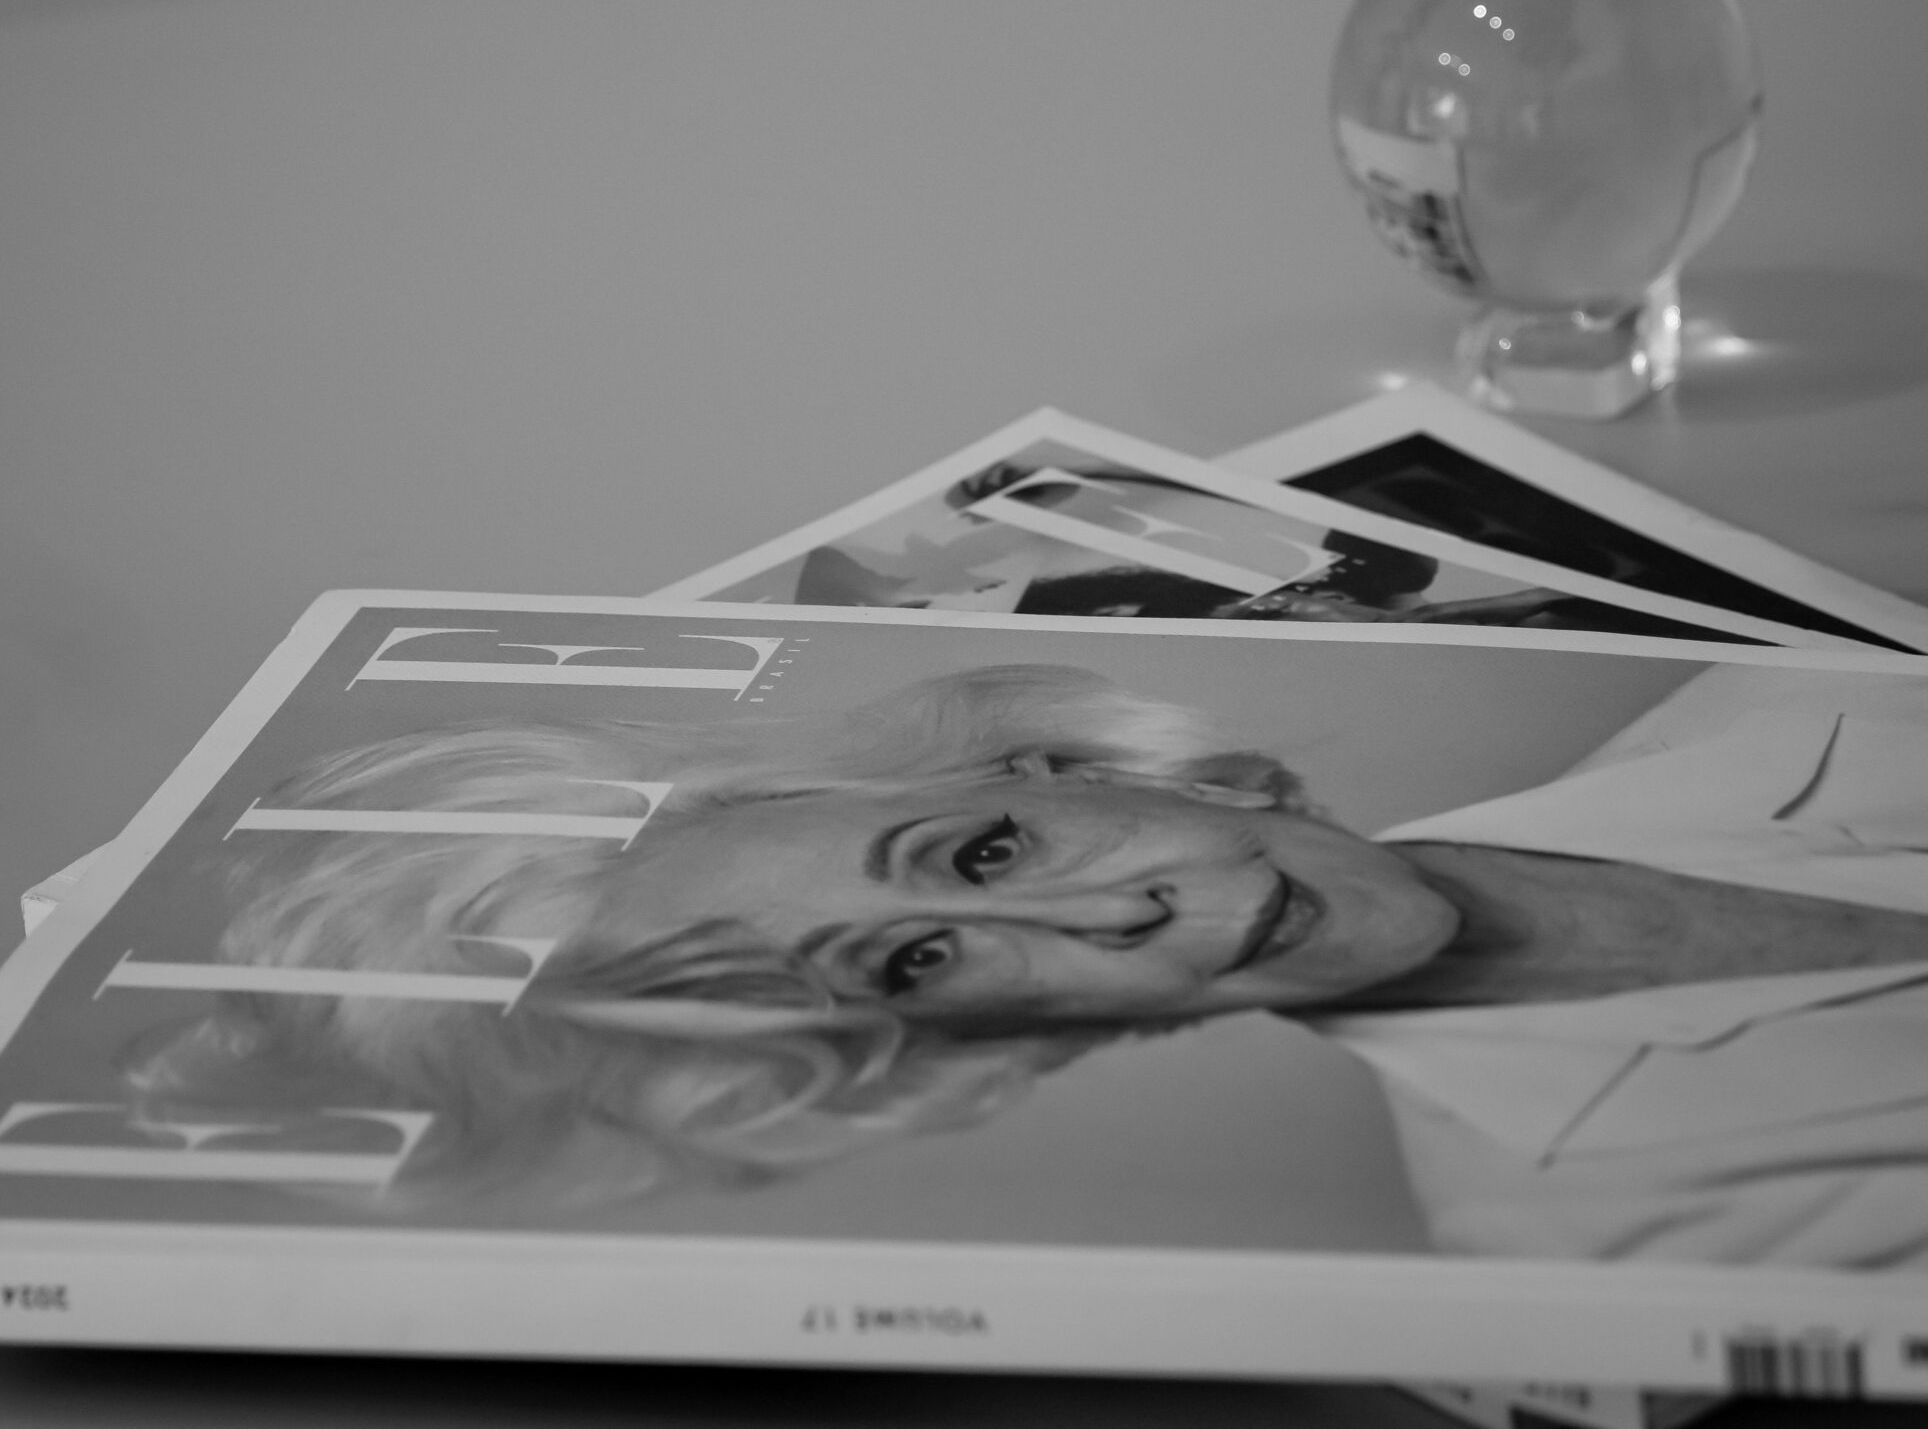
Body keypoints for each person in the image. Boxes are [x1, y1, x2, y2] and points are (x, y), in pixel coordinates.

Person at [123, 661, 1928, 1263]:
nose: (1101, 921)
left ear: (1068, 773)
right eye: (920, 957)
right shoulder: (1598, 1242)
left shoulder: (1816, 689)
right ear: (990, 1035)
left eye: (989, 853)